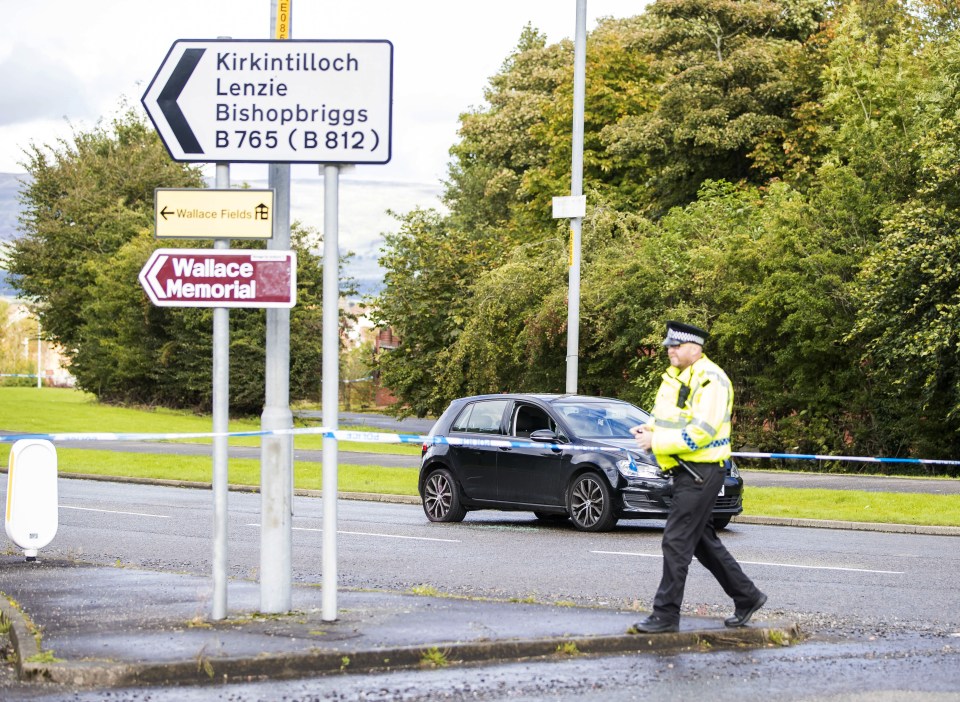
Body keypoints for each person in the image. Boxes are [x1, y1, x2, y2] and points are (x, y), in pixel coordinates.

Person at [630, 321, 766, 634]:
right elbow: (665, 418)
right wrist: (649, 429)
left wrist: (657, 442)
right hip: (685, 471)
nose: (670, 350)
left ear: (696, 348)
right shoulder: (675, 377)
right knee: (702, 542)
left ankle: (665, 616)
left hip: (701, 472)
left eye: (676, 346)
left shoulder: (712, 380)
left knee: (675, 541)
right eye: (668, 345)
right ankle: (747, 596)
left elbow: (702, 432)